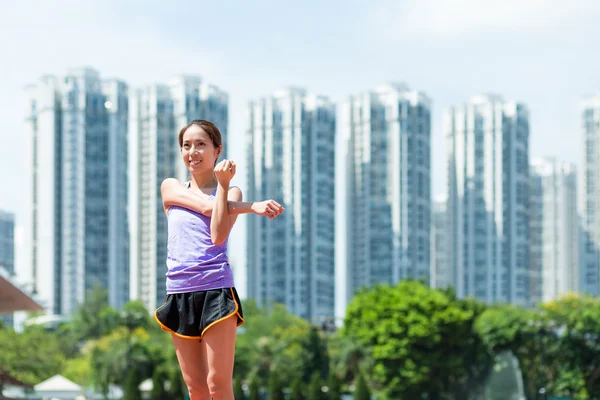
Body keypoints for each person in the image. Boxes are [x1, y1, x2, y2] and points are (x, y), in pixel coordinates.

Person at [154, 120, 284, 399]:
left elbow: (217, 234)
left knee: (217, 383)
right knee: (196, 387)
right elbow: (205, 206)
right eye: (187, 145)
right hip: (179, 292)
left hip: (215, 289)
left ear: (217, 150)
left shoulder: (231, 192)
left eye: (201, 144)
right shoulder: (171, 187)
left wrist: (224, 186)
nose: (193, 152)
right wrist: (253, 207)